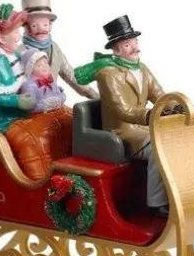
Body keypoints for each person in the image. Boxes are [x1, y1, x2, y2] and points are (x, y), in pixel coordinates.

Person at [73, 15, 172, 215]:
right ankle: (155, 203)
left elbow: (159, 95)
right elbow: (122, 110)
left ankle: (176, 193)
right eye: (127, 45)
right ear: (116, 49)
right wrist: (150, 115)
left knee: (174, 136)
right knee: (157, 146)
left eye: (134, 41)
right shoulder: (108, 74)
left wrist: (174, 106)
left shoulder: (142, 68)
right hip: (122, 132)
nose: (134, 47)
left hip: (142, 126)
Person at [19, 0, 98, 100]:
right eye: (34, 25)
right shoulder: (19, 52)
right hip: (29, 104)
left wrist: (93, 95)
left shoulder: (54, 48)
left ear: (50, 26)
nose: (41, 29)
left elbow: (69, 73)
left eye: (45, 24)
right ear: (25, 28)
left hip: (52, 100)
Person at [0, 4, 35, 132]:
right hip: (4, 121)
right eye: (15, 32)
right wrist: (18, 101)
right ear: (2, 38)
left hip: (26, 114)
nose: (19, 36)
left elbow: (29, 79)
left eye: (19, 31)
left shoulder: (16, 55)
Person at [19, 49, 67, 113]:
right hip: (38, 116)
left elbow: (59, 94)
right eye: (39, 65)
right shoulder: (29, 85)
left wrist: (60, 97)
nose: (44, 66)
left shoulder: (50, 80)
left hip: (56, 111)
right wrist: (45, 105)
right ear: (30, 69)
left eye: (46, 63)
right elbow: (29, 107)